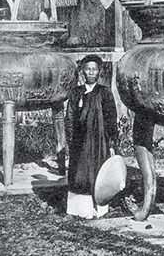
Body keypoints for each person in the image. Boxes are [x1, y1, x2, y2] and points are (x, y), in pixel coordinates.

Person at [64, 54, 118, 218]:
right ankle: (78, 210)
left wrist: (112, 141)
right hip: (80, 141)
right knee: (79, 174)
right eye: (88, 69)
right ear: (82, 71)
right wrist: (70, 140)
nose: (91, 72)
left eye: (94, 69)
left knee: (98, 172)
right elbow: (70, 117)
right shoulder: (76, 93)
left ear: (99, 72)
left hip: (99, 140)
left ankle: (99, 209)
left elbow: (111, 118)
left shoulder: (104, 92)